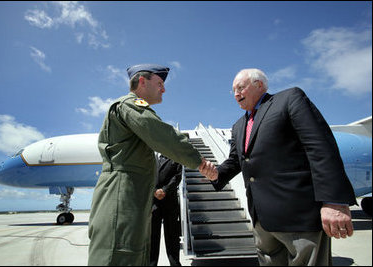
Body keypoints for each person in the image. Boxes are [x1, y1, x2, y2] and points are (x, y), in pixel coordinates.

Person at [199, 68, 357, 266]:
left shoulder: (290, 99)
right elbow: (236, 160)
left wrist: (334, 201)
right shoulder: (238, 126)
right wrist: (216, 173)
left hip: (299, 216)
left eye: (241, 87)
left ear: (260, 85)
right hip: (262, 220)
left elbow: (321, 147)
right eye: (233, 91)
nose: (236, 94)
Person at [88, 63, 215, 266]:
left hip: (131, 193)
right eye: (159, 83)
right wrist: (200, 163)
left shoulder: (132, 108)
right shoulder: (130, 104)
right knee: (119, 253)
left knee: (134, 252)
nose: (163, 89)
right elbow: (161, 134)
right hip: (122, 193)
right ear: (142, 81)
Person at [150, 154, 183, 266]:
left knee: (172, 237)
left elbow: (177, 176)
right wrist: (154, 191)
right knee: (152, 237)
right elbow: (145, 176)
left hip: (170, 202)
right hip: (153, 204)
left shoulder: (175, 155)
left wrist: (164, 191)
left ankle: (175, 263)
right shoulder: (150, 156)